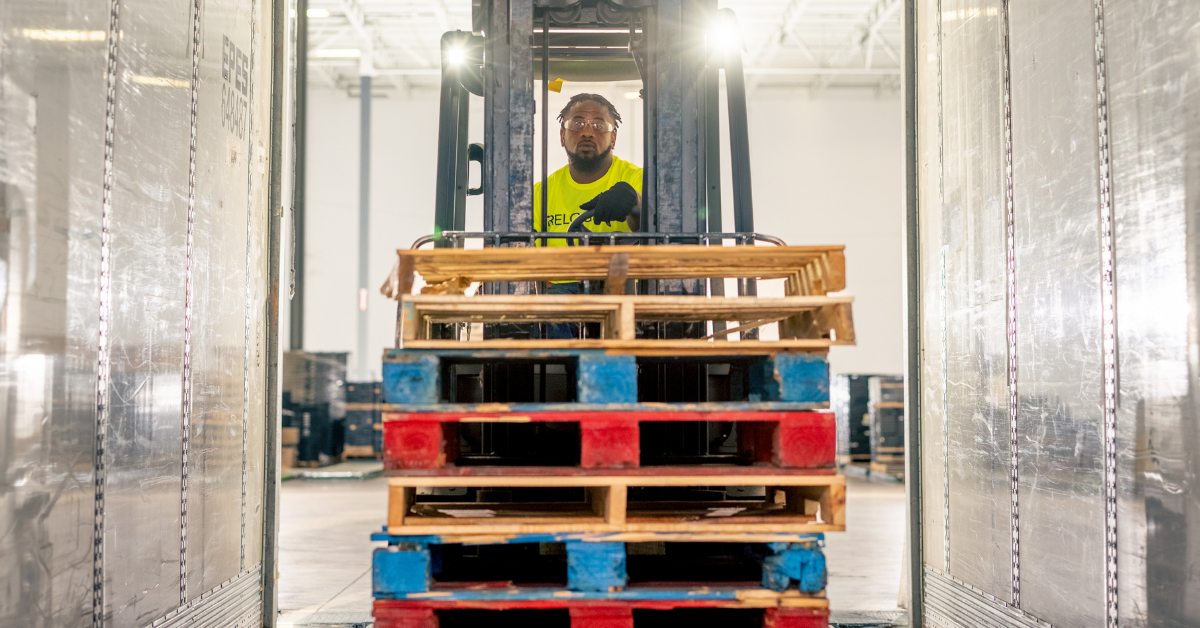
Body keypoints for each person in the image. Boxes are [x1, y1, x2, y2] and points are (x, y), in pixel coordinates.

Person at [534, 93, 642, 339]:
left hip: (623, 288)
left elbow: (655, 215)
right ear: (562, 136)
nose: (587, 132)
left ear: (613, 137)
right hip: (560, 297)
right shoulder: (540, 195)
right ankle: (566, 369)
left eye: (599, 125)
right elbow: (521, 258)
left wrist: (631, 199)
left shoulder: (635, 178)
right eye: (577, 123)